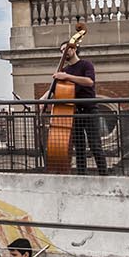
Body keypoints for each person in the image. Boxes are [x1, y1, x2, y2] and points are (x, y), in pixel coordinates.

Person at [54, 37, 107, 174]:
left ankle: (104, 175)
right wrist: (42, 101)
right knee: (79, 147)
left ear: (74, 49)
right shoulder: (64, 70)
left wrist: (67, 77)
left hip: (90, 110)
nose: (64, 53)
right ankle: (81, 175)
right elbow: (54, 89)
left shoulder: (86, 65)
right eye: (61, 51)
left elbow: (89, 82)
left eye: (66, 49)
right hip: (74, 111)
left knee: (95, 145)